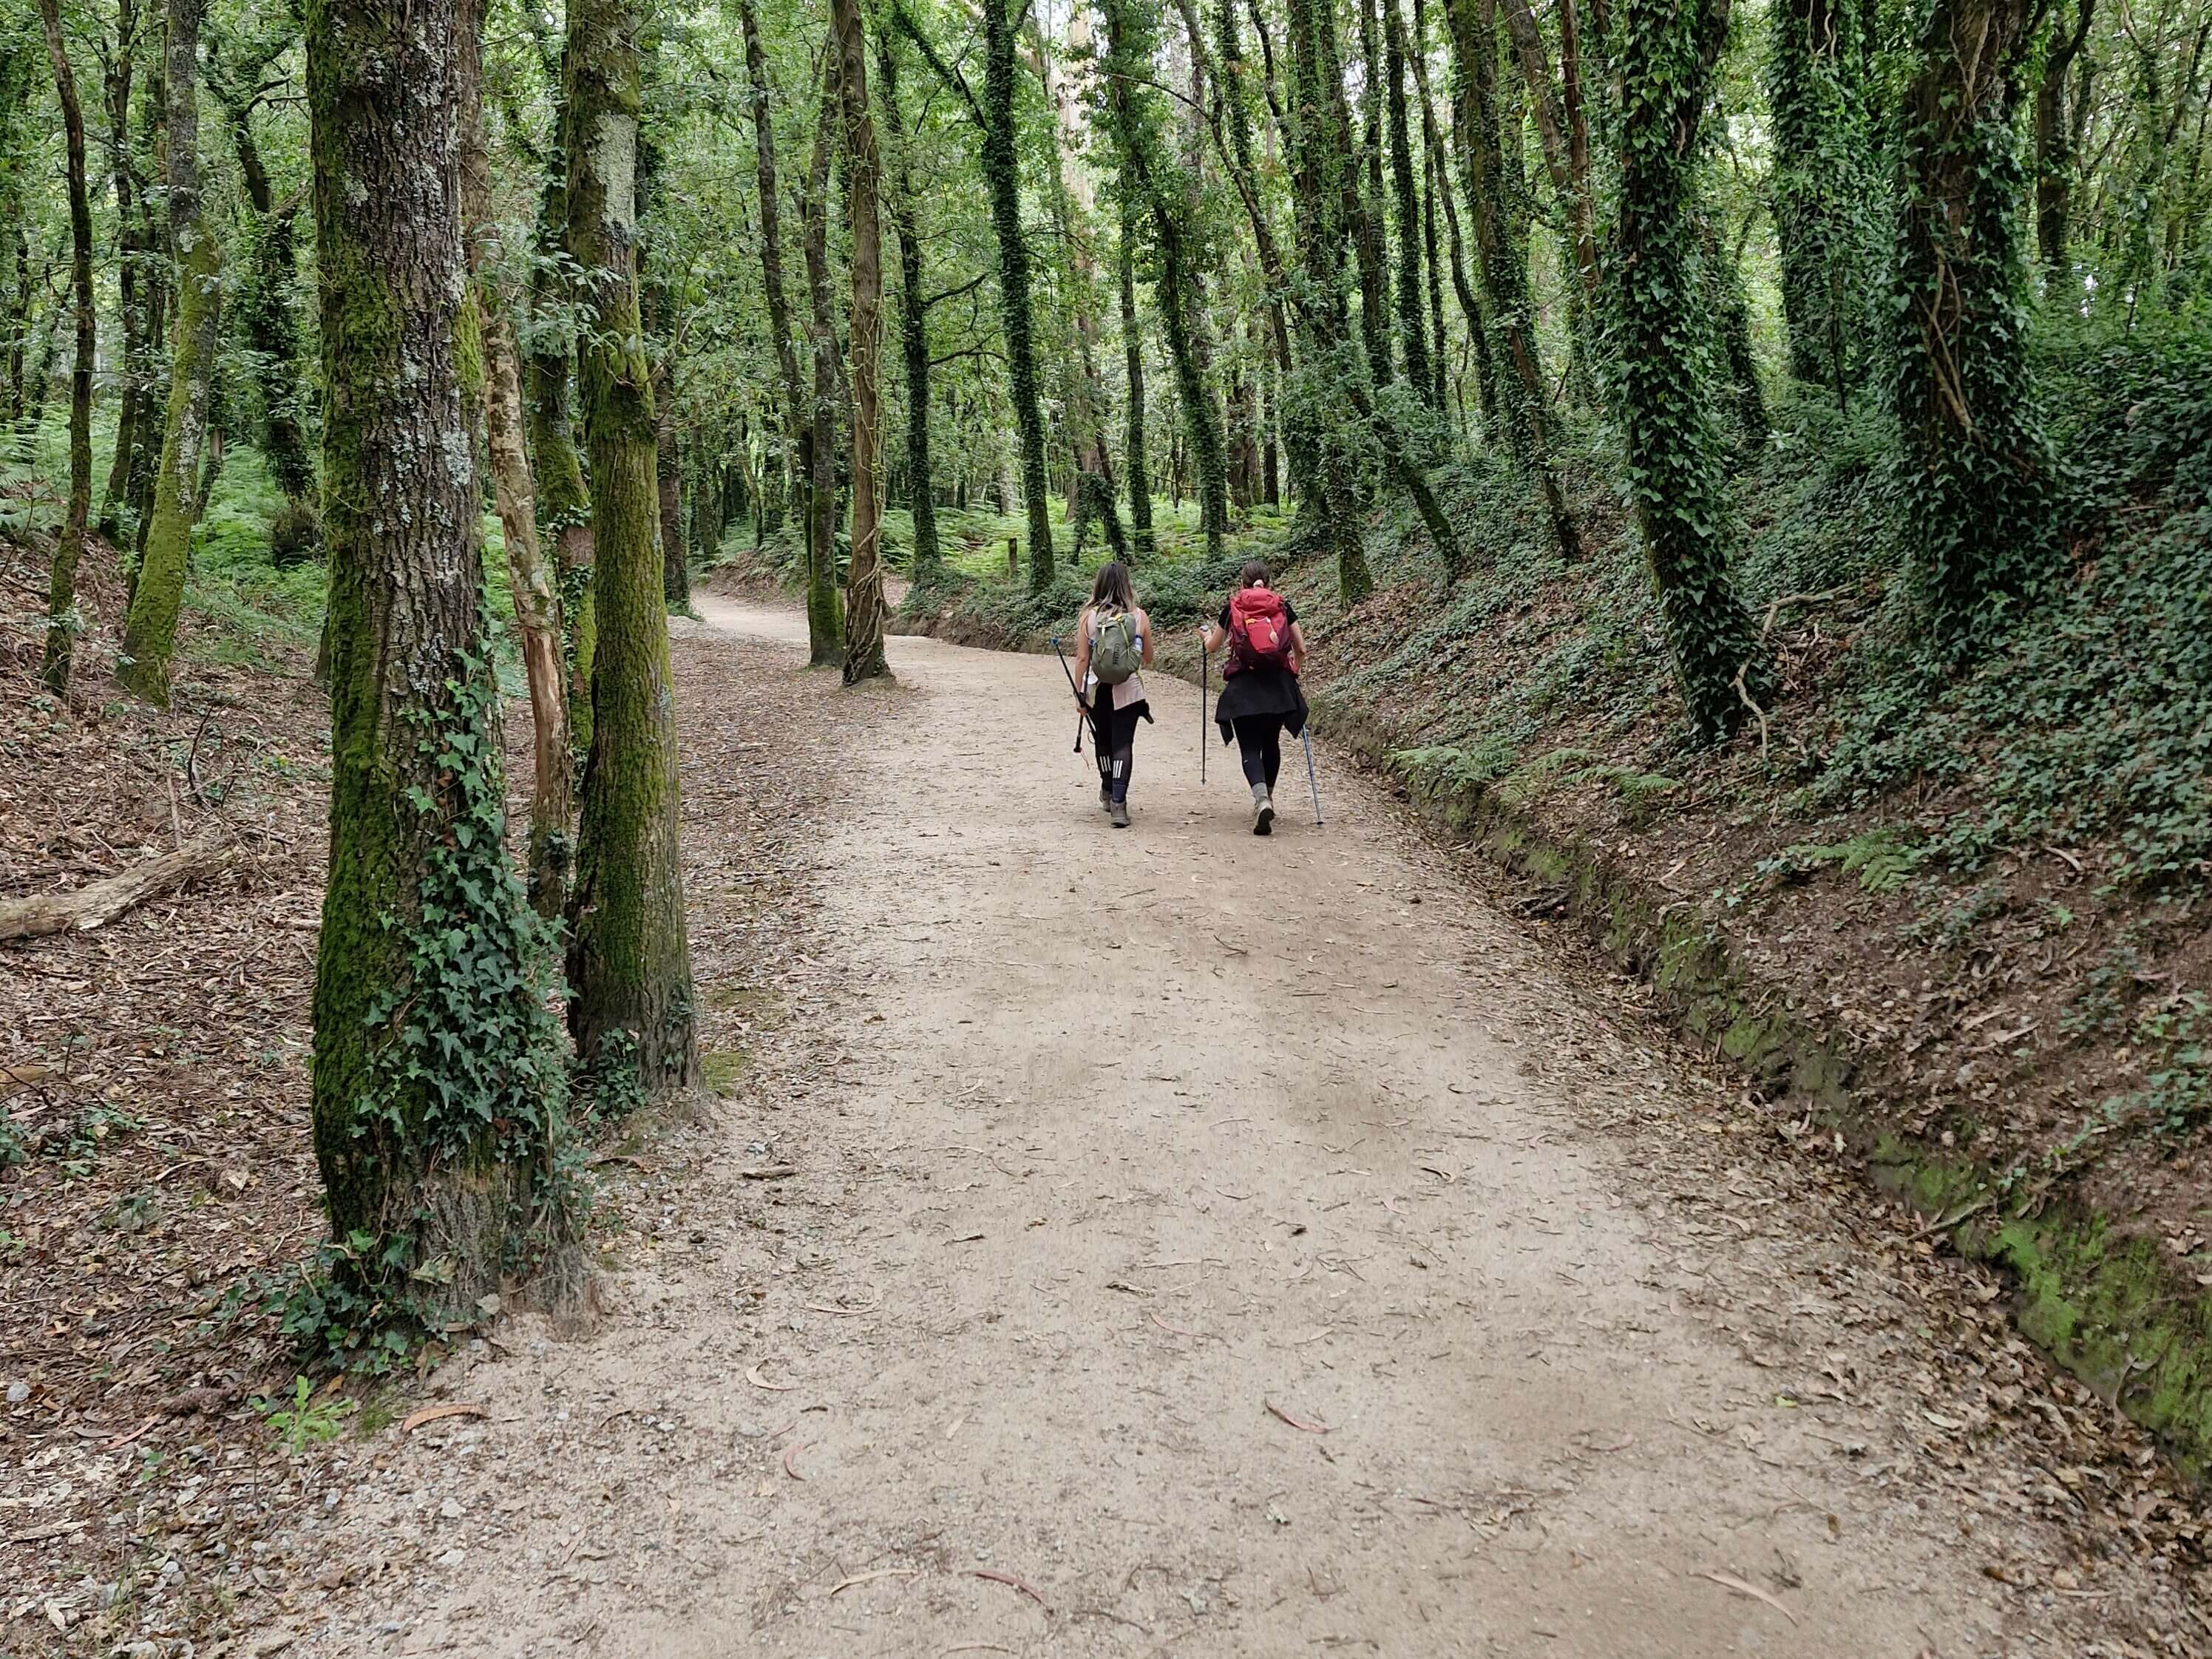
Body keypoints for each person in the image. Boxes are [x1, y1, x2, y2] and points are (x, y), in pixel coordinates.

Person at [1200, 561, 1308, 835]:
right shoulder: (1281, 605)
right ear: (1268, 582)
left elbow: (1213, 647)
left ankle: (1261, 800)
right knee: (1271, 742)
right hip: (1279, 686)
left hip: (1244, 687)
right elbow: (1301, 648)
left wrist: (1204, 637)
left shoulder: (1234, 606)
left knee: (1249, 746)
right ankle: (1268, 796)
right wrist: (1296, 669)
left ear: (1242, 583)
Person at [1072, 561, 1155, 829]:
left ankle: (1107, 791)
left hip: (1097, 691)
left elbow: (1083, 658)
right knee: (1123, 745)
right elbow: (1149, 659)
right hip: (1128, 691)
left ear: (1099, 585)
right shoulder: (1139, 617)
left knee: (1103, 742)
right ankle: (1120, 803)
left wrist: (1079, 694)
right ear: (1126, 585)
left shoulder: (1089, 617)